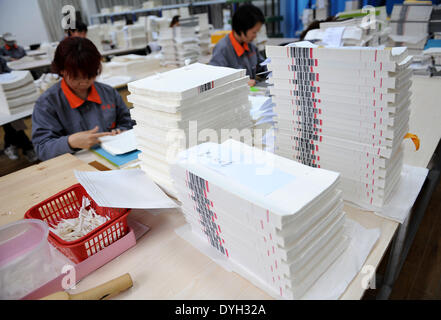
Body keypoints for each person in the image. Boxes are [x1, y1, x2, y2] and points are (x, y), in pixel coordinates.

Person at [32, 37, 134, 161]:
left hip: (115, 156)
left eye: (90, 75)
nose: (84, 82)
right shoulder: (47, 103)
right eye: (76, 77)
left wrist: (122, 131)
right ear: (62, 71)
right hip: (74, 164)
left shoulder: (108, 93)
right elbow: (42, 149)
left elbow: (127, 121)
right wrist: (70, 142)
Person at [209, 4, 267, 87]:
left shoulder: (250, 46)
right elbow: (215, 82)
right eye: (254, 32)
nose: (255, 36)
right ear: (241, 29)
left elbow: (263, 67)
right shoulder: (222, 50)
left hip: (253, 93)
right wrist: (240, 84)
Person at [0, 56, 37, 162]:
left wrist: (14, 77)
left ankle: (11, 145)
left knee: (12, 120)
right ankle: (27, 147)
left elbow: (8, 72)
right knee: (12, 122)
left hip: (5, 95)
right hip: (4, 98)